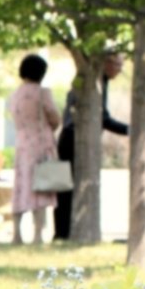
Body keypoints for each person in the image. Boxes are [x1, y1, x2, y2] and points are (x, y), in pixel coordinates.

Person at [53, 51, 129, 242]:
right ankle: (62, 232)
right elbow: (102, 118)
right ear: (106, 63)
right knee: (66, 188)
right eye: (117, 65)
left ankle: (65, 231)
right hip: (72, 137)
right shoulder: (94, 83)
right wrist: (130, 130)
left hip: (73, 136)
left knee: (71, 188)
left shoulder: (100, 82)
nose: (120, 70)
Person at [5, 53, 61, 245]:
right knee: (42, 188)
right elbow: (54, 117)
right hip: (41, 143)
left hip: (22, 144)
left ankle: (17, 234)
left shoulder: (16, 94)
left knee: (21, 186)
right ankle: (38, 234)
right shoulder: (42, 93)